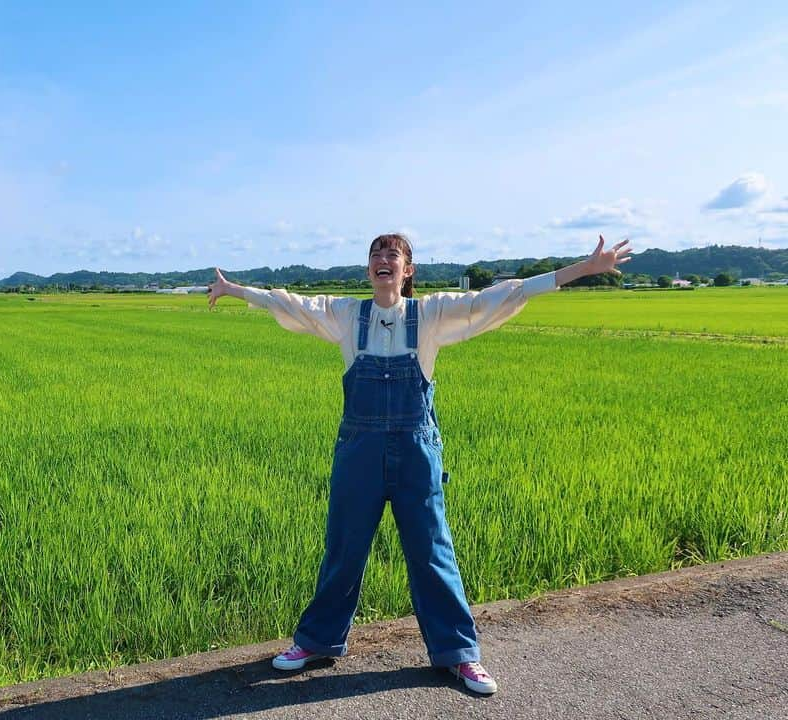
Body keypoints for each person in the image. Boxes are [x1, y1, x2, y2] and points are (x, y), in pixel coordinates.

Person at [206, 233, 631, 695]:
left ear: (407, 270)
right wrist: (234, 290)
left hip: (415, 453)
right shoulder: (349, 316)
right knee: (344, 549)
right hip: (359, 453)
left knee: (432, 552)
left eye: (393, 255)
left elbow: (499, 295)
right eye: (375, 255)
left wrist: (581, 271)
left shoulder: (429, 315)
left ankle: (460, 655)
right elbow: (289, 302)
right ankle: (317, 642)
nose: (382, 260)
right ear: (369, 270)